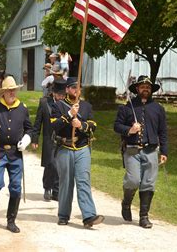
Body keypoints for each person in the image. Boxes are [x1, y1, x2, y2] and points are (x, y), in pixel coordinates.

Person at [113, 75, 168, 229]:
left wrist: (164, 151)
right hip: (132, 151)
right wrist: (129, 130)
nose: (146, 89)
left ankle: (144, 216)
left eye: (148, 87)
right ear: (137, 89)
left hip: (151, 151)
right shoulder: (127, 107)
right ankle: (126, 203)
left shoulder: (158, 109)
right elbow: (117, 126)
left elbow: (163, 132)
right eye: (143, 86)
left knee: (148, 183)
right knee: (133, 180)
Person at [50, 77, 104, 228]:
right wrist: (68, 114)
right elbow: (54, 125)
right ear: (67, 89)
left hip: (82, 148)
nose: (76, 90)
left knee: (83, 181)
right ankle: (63, 215)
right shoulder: (59, 106)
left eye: (78, 87)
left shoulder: (86, 106)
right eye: (73, 87)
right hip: (65, 148)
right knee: (66, 183)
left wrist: (82, 125)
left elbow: (93, 124)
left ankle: (88, 216)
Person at [0, 75, 33, 233]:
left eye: (14, 90)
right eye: (9, 91)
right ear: (3, 92)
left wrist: (26, 140)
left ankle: (11, 220)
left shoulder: (22, 108)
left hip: (15, 154)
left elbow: (29, 129)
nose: (12, 93)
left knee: (16, 188)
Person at [32, 78, 67, 201]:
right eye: (59, 95)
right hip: (49, 138)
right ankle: (47, 187)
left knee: (59, 165)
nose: (61, 97)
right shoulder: (44, 102)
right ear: (53, 92)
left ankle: (56, 191)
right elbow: (37, 122)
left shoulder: (67, 104)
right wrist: (35, 139)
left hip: (63, 139)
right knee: (51, 164)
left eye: (63, 95)